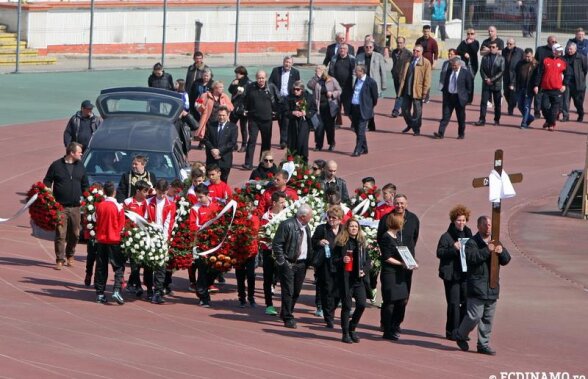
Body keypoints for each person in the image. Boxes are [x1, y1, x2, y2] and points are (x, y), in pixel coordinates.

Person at [454, 216, 511, 355]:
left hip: (492, 286)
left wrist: (501, 251)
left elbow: (506, 259)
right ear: (479, 226)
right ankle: (460, 335)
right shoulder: (472, 242)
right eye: (485, 225)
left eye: (490, 225)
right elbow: (473, 259)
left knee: (487, 319)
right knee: (474, 316)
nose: (488, 227)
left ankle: (483, 344)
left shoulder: (496, 241)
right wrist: (487, 250)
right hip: (477, 286)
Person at [377, 194, 420, 334]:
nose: (399, 206)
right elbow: (380, 239)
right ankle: (386, 324)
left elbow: (414, 238)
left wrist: (408, 260)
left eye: (402, 203)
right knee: (389, 298)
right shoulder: (386, 219)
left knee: (404, 298)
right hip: (391, 266)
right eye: (397, 203)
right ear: (393, 204)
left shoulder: (413, 219)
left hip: (407, 265)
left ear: (406, 204)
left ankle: (396, 323)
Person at [43, 142, 89, 270]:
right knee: (60, 234)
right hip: (60, 207)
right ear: (72, 153)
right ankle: (59, 259)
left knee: (75, 234)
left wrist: (89, 198)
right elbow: (47, 180)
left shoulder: (81, 166)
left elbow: (85, 185)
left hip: (76, 207)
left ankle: (70, 255)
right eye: (79, 152)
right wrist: (48, 192)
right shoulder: (56, 165)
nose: (81, 154)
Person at [272, 203, 314, 329]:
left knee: (296, 291)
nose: (311, 218)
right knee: (288, 291)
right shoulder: (287, 225)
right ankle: (288, 317)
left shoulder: (306, 227)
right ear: (302, 216)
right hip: (289, 263)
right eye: (309, 216)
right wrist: (282, 262)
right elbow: (277, 244)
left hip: (302, 264)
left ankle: (286, 311)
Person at [436, 205, 472, 340]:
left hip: (465, 274)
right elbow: (439, 253)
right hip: (451, 275)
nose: (461, 223)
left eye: (463, 220)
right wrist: (453, 248)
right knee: (453, 303)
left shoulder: (469, 234)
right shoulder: (446, 236)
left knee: (467, 302)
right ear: (453, 221)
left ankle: (462, 330)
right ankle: (452, 331)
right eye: (458, 220)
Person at [333, 218, 371, 343]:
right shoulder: (341, 243)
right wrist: (342, 260)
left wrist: (364, 270)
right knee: (347, 306)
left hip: (358, 279)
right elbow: (333, 260)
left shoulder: (361, 243)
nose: (354, 228)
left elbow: (368, 261)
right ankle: (345, 333)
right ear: (347, 228)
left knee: (361, 304)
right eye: (351, 226)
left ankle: (352, 327)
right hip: (346, 279)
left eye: (356, 226)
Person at [379, 213, 412, 340]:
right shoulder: (386, 237)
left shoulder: (397, 235)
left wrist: (410, 262)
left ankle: (394, 325)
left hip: (400, 274)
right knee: (390, 302)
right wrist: (402, 263)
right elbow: (386, 257)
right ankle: (387, 329)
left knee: (402, 300)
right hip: (390, 274)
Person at [93, 181, 126, 304]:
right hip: (114, 240)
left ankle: (100, 294)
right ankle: (116, 290)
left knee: (101, 267)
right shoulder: (118, 206)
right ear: (114, 192)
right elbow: (121, 225)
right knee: (118, 266)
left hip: (101, 240)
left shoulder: (99, 206)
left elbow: (96, 220)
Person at [144, 179, 176, 304]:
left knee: (161, 266)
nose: (162, 195)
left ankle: (158, 291)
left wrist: (164, 239)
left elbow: (169, 223)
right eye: (159, 192)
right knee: (148, 265)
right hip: (150, 237)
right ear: (156, 190)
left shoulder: (170, 204)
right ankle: (149, 289)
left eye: (164, 193)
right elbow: (145, 220)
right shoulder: (148, 202)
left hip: (162, 238)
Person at [188, 184, 221, 307]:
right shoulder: (195, 208)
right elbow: (192, 226)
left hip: (217, 243)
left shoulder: (217, 205)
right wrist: (205, 230)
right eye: (197, 197)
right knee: (202, 270)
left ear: (208, 195)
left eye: (201, 197)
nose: (198, 199)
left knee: (216, 268)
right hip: (202, 244)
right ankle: (203, 297)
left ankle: (203, 287)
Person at [311, 205, 344, 328]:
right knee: (327, 291)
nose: (331, 220)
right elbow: (312, 242)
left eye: (334, 218)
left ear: (340, 219)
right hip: (325, 265)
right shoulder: (322, 229)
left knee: (338, 292)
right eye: (329, 217)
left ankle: (331, 310)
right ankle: (329, 317)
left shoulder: (344, 230)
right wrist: (319, 242)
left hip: (340, 265)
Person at [242, 70, 281, 170]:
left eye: (263, 78)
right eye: (259, 78)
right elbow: (244, 99)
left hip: (267, 120)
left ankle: (264, 163)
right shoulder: (250, 87)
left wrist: (276, 111)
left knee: (266, 142)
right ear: (256, 78)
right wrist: (244, 109)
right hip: (253, 119)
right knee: (252, 141)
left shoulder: (271, 87)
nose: (261, 80)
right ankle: (248, 163)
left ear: (266, 78)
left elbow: (278, 99)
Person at [259, 190, 287, 315]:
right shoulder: (266, 217)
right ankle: (269, 305)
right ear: (274, 203)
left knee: (284, 278)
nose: (283, 205)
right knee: (268, 278)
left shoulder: (287, 215)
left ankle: (285, 305)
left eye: (284, 202)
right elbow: (262, 236)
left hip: (283, 252)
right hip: (269, 252)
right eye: (281, 202)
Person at [434, 57, 474, 139]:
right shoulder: (449, 71)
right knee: (445, 116)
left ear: (459, 64)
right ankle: (440, 133)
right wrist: (445, 94)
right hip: (449, 97)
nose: (453, 67)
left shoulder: (465, 73)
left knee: (461, 118)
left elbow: (469, 87)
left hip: (459, 98)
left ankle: (461, 134)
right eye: (452, 65)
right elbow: (446, 83)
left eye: (455, 66)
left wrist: (466, 98)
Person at [533, 43, 570, 131]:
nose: (560, 52)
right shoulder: (545, 60)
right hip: (545, 88)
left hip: (557, 89)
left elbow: (568, 74)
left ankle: (551, 124)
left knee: (554, 108)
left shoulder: (563, 61)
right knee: (544, 106)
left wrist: (564, 85)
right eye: (558, 51)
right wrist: (536, 85)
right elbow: (539, 73)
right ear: (554, 51)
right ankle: (549, 121)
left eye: (561, 51)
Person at [123, 180, 150, 297]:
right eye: (145, 191)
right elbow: (124, 218)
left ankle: (130, 283)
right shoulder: (128, 202)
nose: (147, 194)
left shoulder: (148, 203)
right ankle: (138, 286)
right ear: (138, 191)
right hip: (132, 237)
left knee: (140, 262)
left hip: (144, 237)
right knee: (134, 262)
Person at [399, 45, 432, 136]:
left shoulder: (426, 63)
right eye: (414, 50)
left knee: (417, 111)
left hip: (418, 90)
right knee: (404, 109)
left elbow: (427, 79)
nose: (415, 52)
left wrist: (425, 92)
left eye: (417, 51)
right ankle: (410, 124)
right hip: (407, 90)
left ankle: (416, 129)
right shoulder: (408, 61)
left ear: (421, 52)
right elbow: (403, 73)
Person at [269, 56, 301, 149]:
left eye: (289, 62)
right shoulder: (276, 70)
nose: (287, 64)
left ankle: (284, 140)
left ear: (292, 64)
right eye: (286, 62)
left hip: (289, 99)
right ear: (283, 62)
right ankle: (283, 139)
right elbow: (270, 83)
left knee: (286, 120)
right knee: (280, 119)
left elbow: (298, 85)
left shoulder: (295, 72)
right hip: (278, 99)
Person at [307, 64, 341, 151]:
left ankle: (331, 143)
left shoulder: (331, 80)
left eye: (318, 69)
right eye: (316, 69)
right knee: (319, 127)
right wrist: (317, 78)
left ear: (324, 70)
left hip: (329, 107)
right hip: (318, 107)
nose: (316, 70)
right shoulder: (315, 80)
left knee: (329, 127)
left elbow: (339, 90)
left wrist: (333, 94)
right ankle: (318, 145)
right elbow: (309, 86)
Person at [356, 41, 387, 131]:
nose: (368, 49)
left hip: (373, 84)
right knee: (365, 105)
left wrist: (383, 85)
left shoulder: (378, 57)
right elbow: (355, 72)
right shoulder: (359, 57)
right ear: (364, 48)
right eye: (366, 47)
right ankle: (367, 125)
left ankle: (371, 124)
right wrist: (354, 84)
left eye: (370, 47)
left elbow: (383, 71)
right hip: (362, 84)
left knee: (370, 105)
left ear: (373, 48)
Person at [235, 200, 260, 308]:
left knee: (250, 275)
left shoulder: (254, 218)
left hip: (251, 251)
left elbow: (254, 232)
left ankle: (251, 297)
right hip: (239, 252)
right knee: (240, 276)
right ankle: (242, 298)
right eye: (245, 206)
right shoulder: (238, 219)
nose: (247, 208)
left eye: (249, 206)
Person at [203, 106, 238, 182]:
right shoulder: (211, 125)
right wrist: (212, 149)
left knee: (223, 180)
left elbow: (232, 142)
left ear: (227, 115)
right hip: (211, 158)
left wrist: (219, 151)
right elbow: (206, 139)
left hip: (224, 159)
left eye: (223, 115)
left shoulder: (233, 127)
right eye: (219, 115)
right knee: (210, 180)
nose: (221, 117)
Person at [350, 64, 378, 157]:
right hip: (355, 108)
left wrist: (369, 107)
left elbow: (375, 97)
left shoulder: (371, 82)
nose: (355, 72)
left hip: (364, 109)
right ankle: (364, 147)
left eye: (357, 71)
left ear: (362, 72)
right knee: (357, 130)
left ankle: (358, 149)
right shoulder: (357, 80)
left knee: (361, 130)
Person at [475, 41, 505, 126]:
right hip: (486, 84)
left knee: (497, 103)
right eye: (490, 47)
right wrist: (486, 79)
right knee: (483, 102)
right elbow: (481, 70)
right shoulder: (485, 58)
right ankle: (482, 119)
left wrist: (491, 79)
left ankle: (496, 120)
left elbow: (501, 71)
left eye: (493, 47)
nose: (491, 49)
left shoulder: (501, 58)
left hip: (496, 84)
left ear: (497, 48)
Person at [286, 81, 316, 161]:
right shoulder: (289, 97)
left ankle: (303, 161)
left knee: (302, 142)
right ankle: (291, 162)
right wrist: (293, 112)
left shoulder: (308, 97)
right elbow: (285, 111)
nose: (295, 91)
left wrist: (306, 113)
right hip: (293, 123)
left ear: (302, 89)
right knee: (292, 142)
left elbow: (314, 109)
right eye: (294, 89)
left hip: (304, 122)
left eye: (297, 89)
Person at [328, 43, 356, 118]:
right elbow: (330, 72)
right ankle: (338, 122)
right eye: (341, 48)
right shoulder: (334, 58)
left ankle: (353, 123)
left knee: (349, 106)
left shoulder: (352, 59)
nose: (342, 50)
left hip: (348, 86)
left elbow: (355, 72)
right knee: (337, 105)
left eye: (344, 48)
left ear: (347, 50)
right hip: (337, 86)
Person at [228, 65, 252, 152]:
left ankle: (244, 145)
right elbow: (230, 90)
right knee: (232, 126)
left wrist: (247, 108)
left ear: (242, 74)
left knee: (243, 127)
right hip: (234, 107)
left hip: (243, 108)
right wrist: (233, 85)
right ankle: (233, 144)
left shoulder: (249, 83)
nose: (236, 75)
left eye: (237, 74)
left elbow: (250, 95)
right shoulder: (235, 81)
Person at [513, 48, 538, 129]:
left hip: (529, 89)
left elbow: (538, 77)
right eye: (526, 56)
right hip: (520, 87)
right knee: (520, 106)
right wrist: (513, 84)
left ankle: (524, 123)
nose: (527, 58)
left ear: (532, 55)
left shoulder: (535, 64)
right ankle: (530, 118)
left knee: (527, 106)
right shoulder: (520, 63)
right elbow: (515, 74)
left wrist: (536, 86)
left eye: (529, 57)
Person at [562, 42, 587, 122]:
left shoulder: (582, 57)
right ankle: (565, 116)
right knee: (565, 101)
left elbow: (585, 69)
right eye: (568, 49)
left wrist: (581, 78)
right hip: (566, 82)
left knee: (577, 102)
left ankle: (580, 114)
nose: (569, 51)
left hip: (577, 83)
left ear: (575, 49)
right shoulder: (563, 58)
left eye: (571, 49)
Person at [533, 36, 557, 119]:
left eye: (555, 41)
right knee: (537, 96)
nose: (554, 43)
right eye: (552, 41)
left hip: (550, 77)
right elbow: (535, 61)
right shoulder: (540, 49)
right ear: (548, 41)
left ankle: (549, 112)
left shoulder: (556, 51)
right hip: (540, 75)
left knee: (549, 98)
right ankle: (537, 112)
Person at [390, 37, 413, 118]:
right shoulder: (394, 52)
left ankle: (395, 110)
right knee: (399, 93)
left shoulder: (409, 54)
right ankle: (405, 110)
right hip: (395, 76)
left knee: (400, 94)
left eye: (401, 42)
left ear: (404, 43)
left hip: (404, 77)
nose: (399, 44)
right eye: (398, 42)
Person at [415, 24, 438, 103]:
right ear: (422, 31)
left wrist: (434, 63)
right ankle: (419, 95)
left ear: (430, 31)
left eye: (428, 31)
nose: (426, 33)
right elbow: (415, 50)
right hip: (419, 62)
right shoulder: (419, 40)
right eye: (425, 31)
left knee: (427, 80)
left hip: (428, 63)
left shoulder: (433, 41)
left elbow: (436, 53)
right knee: (419, 79)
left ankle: (426, 97)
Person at [503, 39, 525, 115]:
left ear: (514, 44)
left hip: (515, 75)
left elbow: (523, 61)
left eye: (510, 44)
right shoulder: (504, 51)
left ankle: (510, 108)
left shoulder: (520, 51)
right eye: (507, 43)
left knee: (513, 92)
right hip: (506, 75)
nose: (508, 45)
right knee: (506, 93)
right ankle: (511, 104)